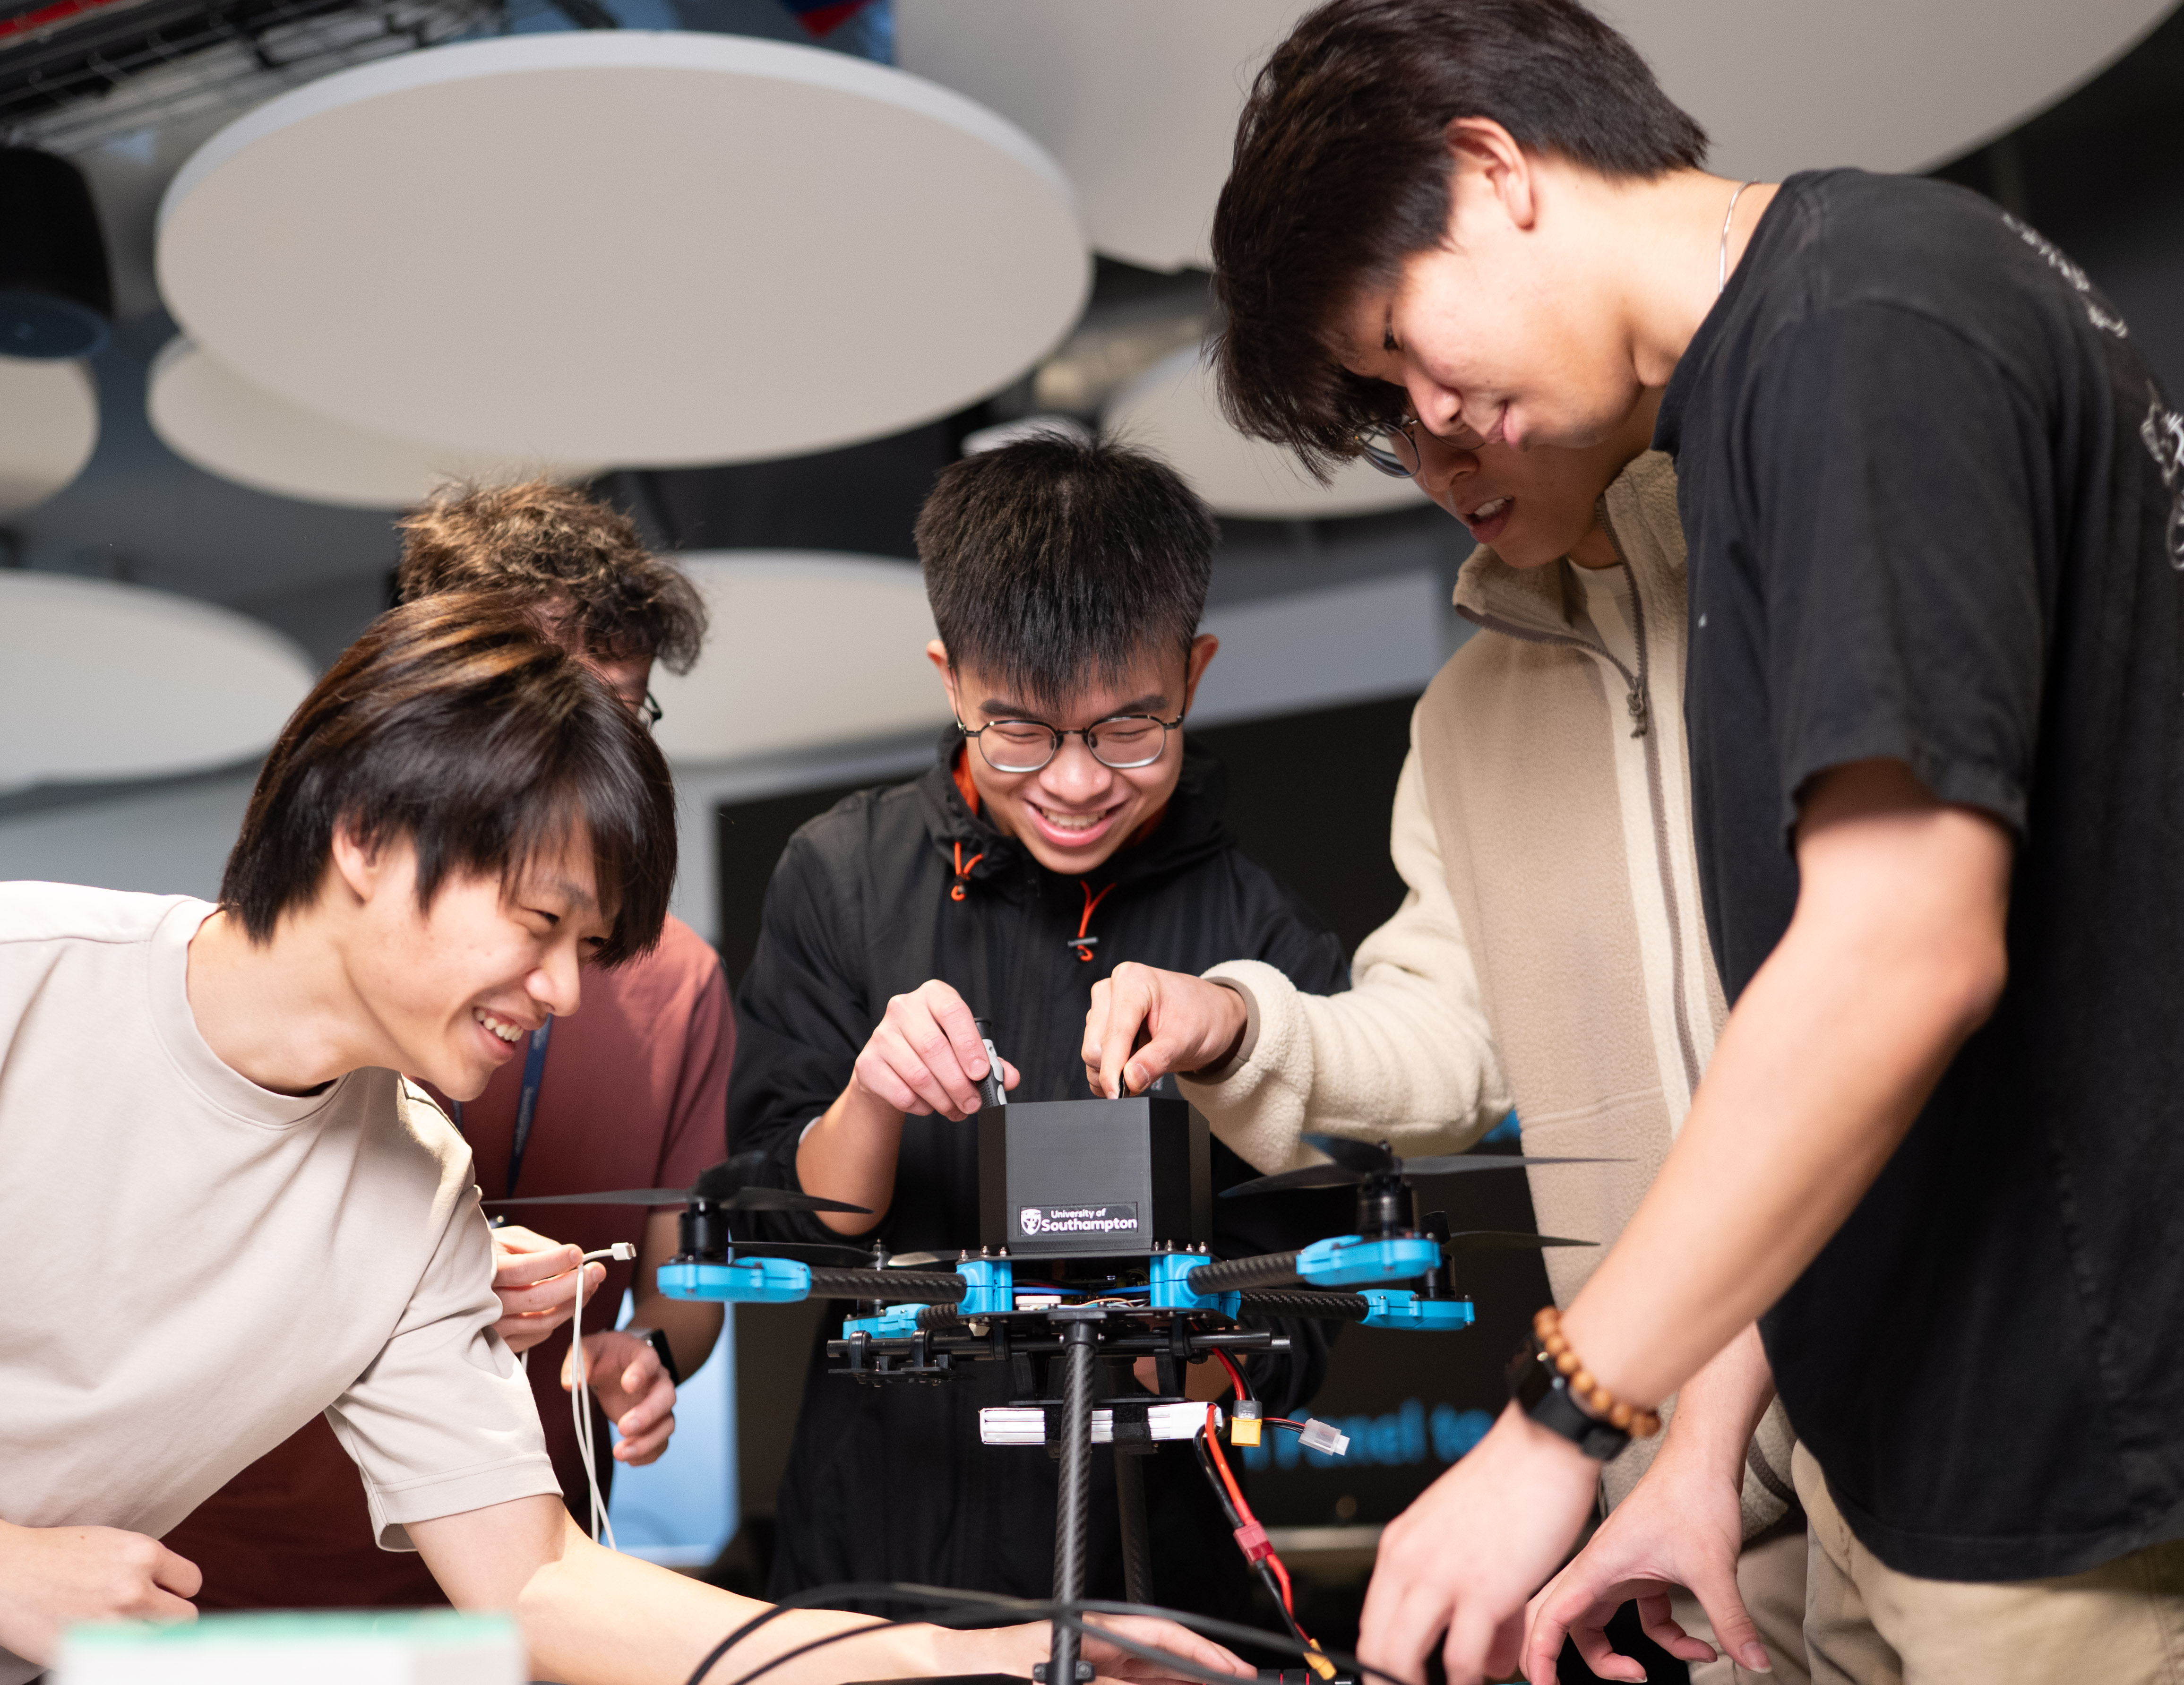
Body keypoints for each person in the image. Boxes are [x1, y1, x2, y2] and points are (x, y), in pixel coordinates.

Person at [1204, 3, 2184, 1684]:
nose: (1435, 419)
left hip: (2062, 1471)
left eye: (1400, 342)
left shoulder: (1860, 329)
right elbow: (1832, 1046)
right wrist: (1704, 1433)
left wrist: (1557, 1426)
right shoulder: (1763, 395)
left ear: (1491, 167)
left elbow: (1904, 951)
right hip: (1910, 1463)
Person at [0, 594, 1238, 1685]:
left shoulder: (412, 1196)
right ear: (365, 834)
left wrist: (975, 1657)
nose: (563, 989)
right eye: (536, 921)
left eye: (589, 947)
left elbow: (541, 1581)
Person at [1081, 394, 1809, 1684]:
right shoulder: (1465, 714)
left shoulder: (1808, 583)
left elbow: (1875, 1033)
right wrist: (1244, 1024)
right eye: (1388, 433)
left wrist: (1573, 1425)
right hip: (1692, 1521)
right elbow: (1456, 1040)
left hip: (1961, 1453)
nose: (1431, 463)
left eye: (1446, 397)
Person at [726, 434, 1355, 1615]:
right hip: (879, 1560)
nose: (1073, 784)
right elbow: (796, 1235)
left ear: (1195, 672)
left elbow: (1320, 1268)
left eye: (1128, 728)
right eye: (1017, 730)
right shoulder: (842, 878)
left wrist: (1195, 1357)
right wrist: (869, 1096)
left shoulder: (1256, 935)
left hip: (1155, 1577)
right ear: (949, 678)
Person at [167, 480, 735, 1606]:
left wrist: (648, 1356)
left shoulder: (679, 981)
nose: (598, 751)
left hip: (525, 1563)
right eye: (549, 704)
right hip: (218, 1561)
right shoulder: (294, 961)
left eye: (625, 708)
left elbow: (686, 1286)